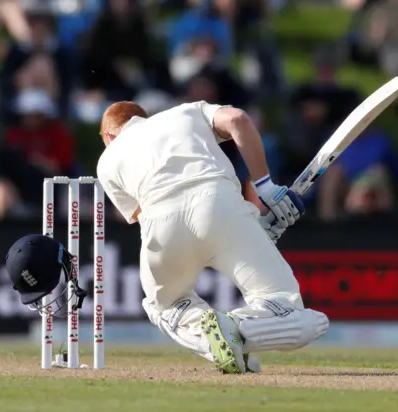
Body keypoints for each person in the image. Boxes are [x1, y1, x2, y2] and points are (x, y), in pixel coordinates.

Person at [95, 101, 329, 374]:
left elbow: (142, 215)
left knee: (166, 307)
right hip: (220, 203)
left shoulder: (106, 161)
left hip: (160, 223)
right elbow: (239, 119)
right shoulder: (185, 112)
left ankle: (217, 338)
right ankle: (238, 329)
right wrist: (263, 188)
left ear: (108, 136)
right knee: (297, 312)